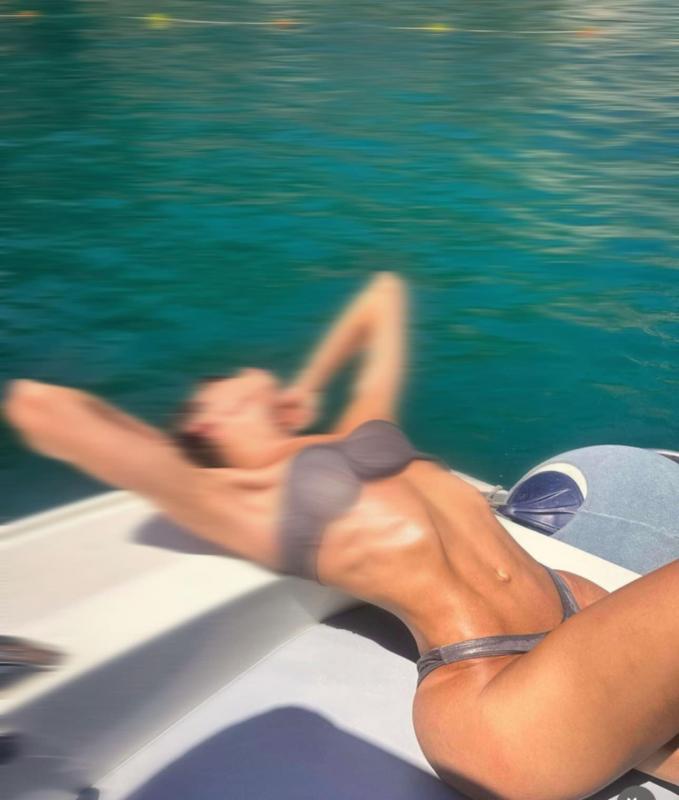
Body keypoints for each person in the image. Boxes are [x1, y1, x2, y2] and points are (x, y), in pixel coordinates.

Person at [2, 272, 678, 800]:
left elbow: (382, 298)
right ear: (207, 422)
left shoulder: (359, 431)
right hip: (492, 693)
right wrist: (164, 463)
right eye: (223, 383)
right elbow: (43, 410)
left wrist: (310, 384)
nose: (247, 370)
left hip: (571, 626)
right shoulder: (234, 498)